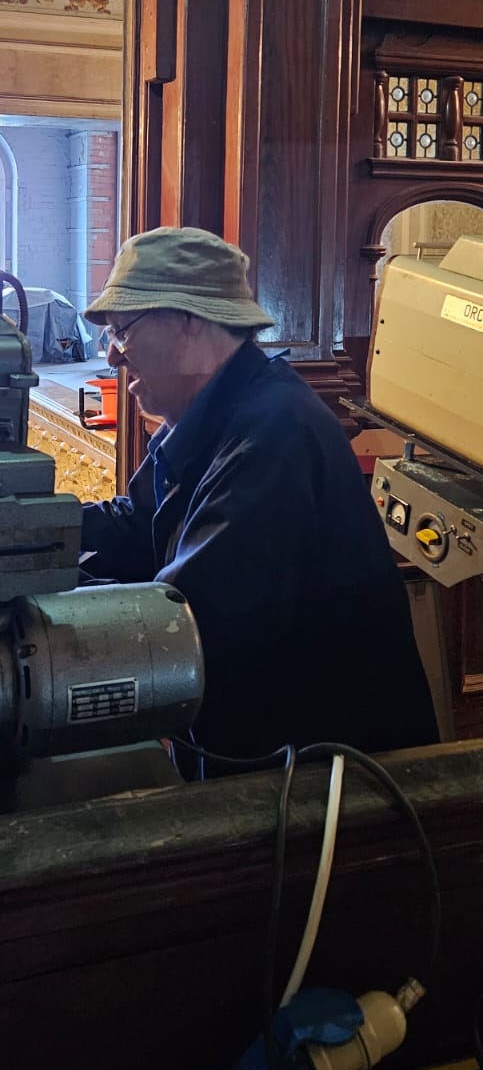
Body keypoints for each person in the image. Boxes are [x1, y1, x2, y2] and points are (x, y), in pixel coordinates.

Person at [80, 225, 438, 772]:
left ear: (190, 321)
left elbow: (188, 621)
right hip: (262, 755)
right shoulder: (209, 415)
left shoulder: (275, 433)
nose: (112, 355)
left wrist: (44, 614)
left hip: (328, 782)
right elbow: (139, 525)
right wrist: (27, 541)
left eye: (121, 331)